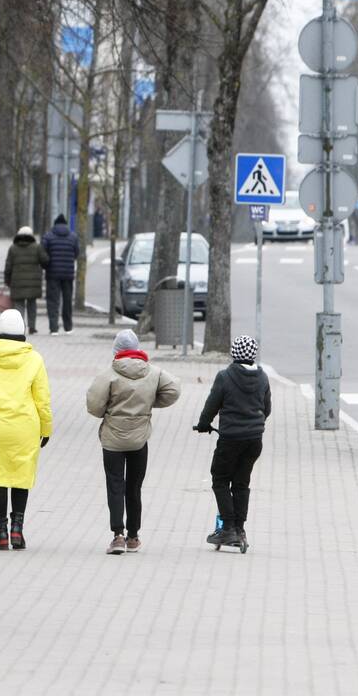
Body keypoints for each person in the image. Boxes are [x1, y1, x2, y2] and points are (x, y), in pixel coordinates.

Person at [85, 330, 180, 555]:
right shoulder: (154, 373)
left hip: (112, 440)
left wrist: (108, 411)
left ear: (116, 350)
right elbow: (174, 389)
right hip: (139, 440)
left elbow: (94, 405)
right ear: (137, 348)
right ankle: (134, 536)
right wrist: (149, 403)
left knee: (115, 486)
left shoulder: (108, 374)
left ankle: (117, 536)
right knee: (134, 488)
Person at [0, 309, 52, 550]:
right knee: (20, 477)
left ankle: (0, 533)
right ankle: (17, 531)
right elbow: (42, 400)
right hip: (25, 427)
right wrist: (46, 429)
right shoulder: (35, 359)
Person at [195, 335, 272, 548]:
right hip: (254, 440)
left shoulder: (225, 376)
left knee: (220, 479)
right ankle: (240, 528)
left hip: (230, 439)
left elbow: (212, 404)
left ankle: (227, 528)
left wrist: (203, 423)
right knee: (241, 483)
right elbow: (267, 409)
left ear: (234, 353)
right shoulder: (263, 377)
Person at [4, 226, 48, 335]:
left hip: (17, 282)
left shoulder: (13, 248)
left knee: (19, 305)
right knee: (32, 305)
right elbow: (45, 261)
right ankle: (32, 326)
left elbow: (8, 266)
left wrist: (7, 280)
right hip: (33, 283)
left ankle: (20, 328)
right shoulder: (37, 247)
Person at [41, 214, 79, 335]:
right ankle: (68, 327)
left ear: (55, 224)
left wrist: (46, 266)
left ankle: (53, 328)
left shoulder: (48, 236)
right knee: (67, 301)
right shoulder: (73, 237)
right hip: (68, 274)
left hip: (52, 274)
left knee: (53, 301)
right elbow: (76, 253)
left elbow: (43, 254)